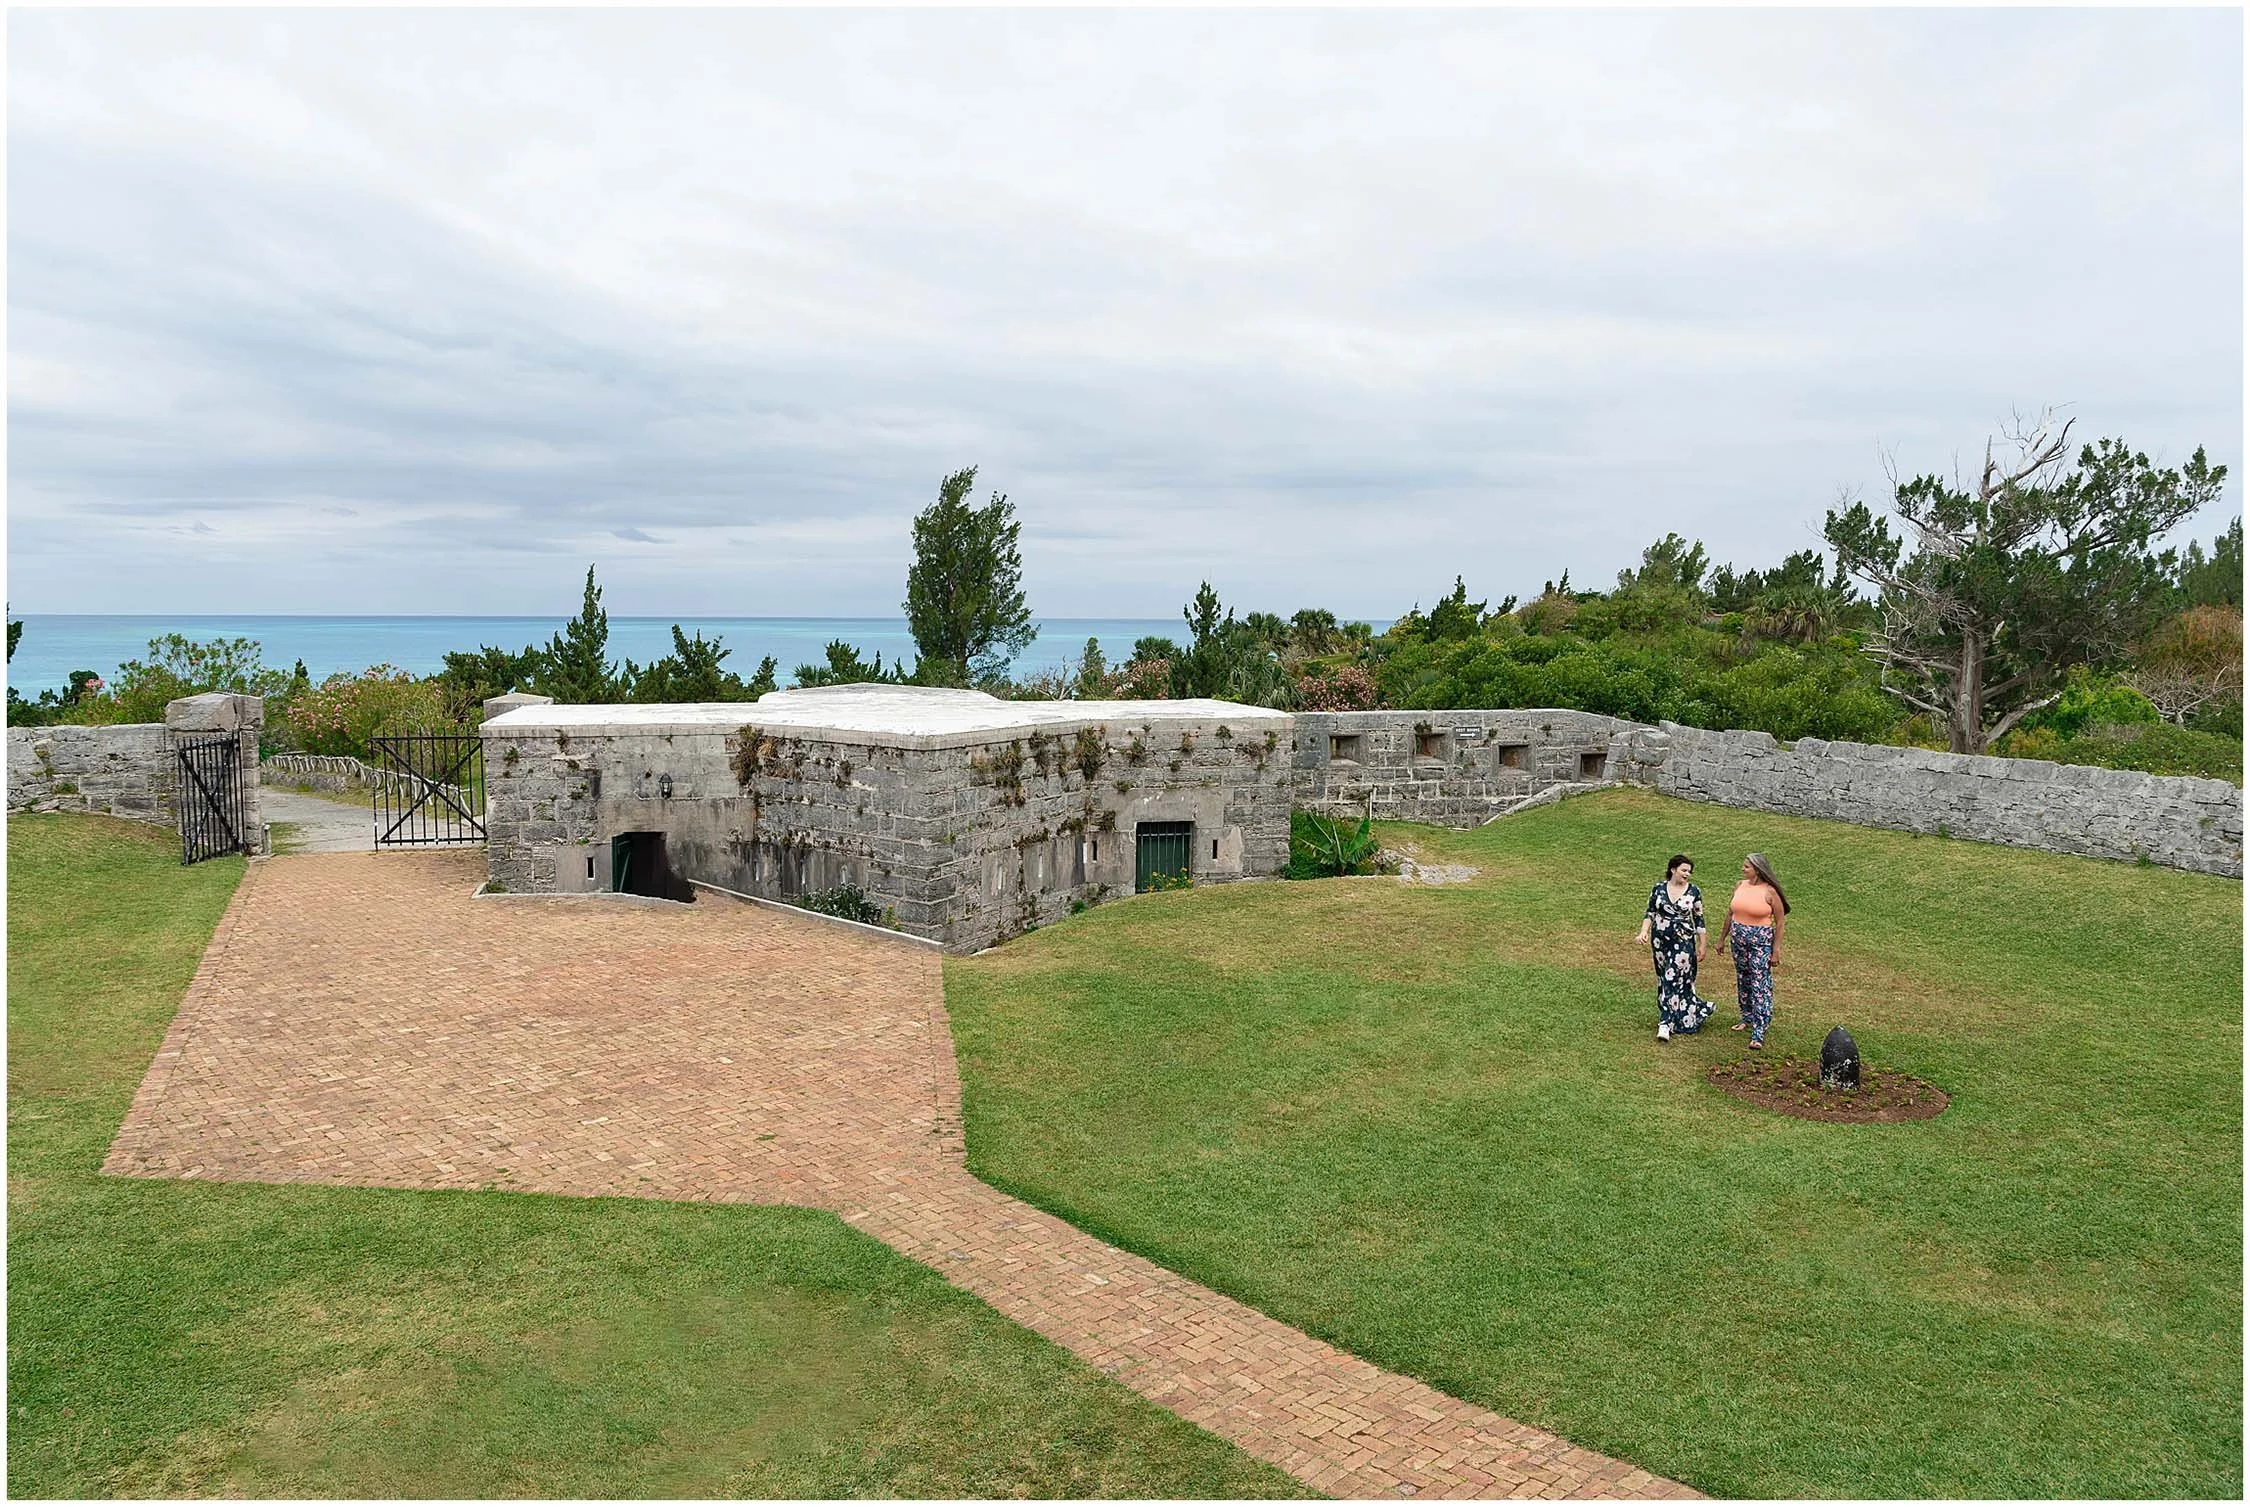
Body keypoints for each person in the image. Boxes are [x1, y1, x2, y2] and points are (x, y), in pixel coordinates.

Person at [1634, 854, 1714, 1042]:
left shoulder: (1694, 891)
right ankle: (1685, 1014)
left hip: (1684, 941)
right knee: (1665, 977)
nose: (1687, 874)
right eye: (1684, 870)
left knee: (1672, 976)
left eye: (1689, 871)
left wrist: (1702, 944)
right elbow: (1650, 912)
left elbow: (1699, 920)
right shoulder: (1659, 888)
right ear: (1673, 869)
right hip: (1660, 941)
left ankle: (1665, 1023)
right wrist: (1643, 932)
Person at [1717, 852, 1790, 1048]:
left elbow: (1780, 922)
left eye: (1747, 866)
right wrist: (1722, 938)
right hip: (1738, 939)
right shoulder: (1740, 886)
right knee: (1743, 977)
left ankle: (1760, 1027)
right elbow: (1730, 913)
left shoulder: (1770, 892)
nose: (1743, 869)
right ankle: (1746, 1016)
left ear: (1757, 870)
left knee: (1760, 982)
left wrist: (1776, 950)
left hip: (1760, 942)